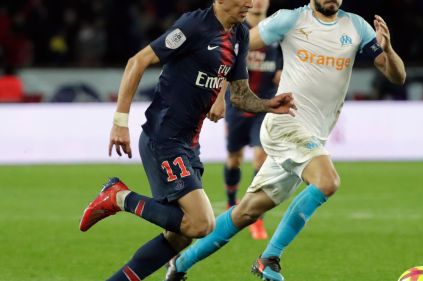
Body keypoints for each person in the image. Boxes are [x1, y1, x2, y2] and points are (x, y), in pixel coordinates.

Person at [165, 0, 405, 280]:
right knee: (327, 181)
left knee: (246, 212)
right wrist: (219, 93)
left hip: (311, 135)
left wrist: (387, 49)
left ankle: (180, 264)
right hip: (285, 124)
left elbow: (397, 76)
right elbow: (235, 46)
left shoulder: (356, 27)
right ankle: (270, 258)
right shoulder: (289, 20)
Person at [78, 0, 296, 280]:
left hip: (189, 144)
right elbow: (138, 61)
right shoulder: (195, 25)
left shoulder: (240, 34)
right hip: (164, 138)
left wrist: (268, 104)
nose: (250, 3)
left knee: (179, 238)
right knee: (201, 224)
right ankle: (119, 197)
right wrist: (120, 122)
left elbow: (240, 96)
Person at [212, 0, 282, 240]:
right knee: (234, 159)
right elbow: (223, 67)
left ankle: (255, 216)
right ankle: (232, 204)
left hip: (264, 106)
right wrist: (219, 99)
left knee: (261, 157)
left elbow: (282, 68)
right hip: (237, 105)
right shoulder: (236, 30)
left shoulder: (276, 32)